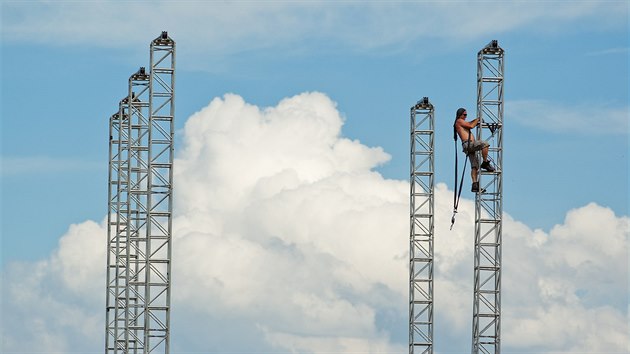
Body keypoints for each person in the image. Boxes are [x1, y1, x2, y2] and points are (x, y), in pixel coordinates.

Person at [454, 108, 494, 192]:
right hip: (468, 144)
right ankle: (485, 162)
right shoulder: (459, 121)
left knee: (474, 166)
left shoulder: (462, 122)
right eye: (464, 115)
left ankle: (475, 185)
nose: (465, 116)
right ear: (460, 115)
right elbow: (471, 126)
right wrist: (478, 119)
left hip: (468, 146)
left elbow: (470, 124)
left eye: (466, 115)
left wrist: (476, 121)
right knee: (485, 144)